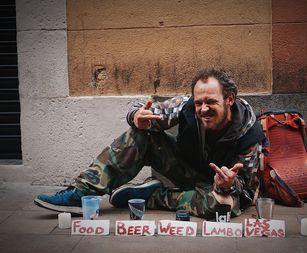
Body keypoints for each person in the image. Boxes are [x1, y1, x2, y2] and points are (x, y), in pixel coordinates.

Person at [34, 67, 266, 219]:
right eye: (199, 102)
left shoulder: (249, 133)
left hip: (221, 187)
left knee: (221, 207)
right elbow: (145, 112)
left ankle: (152, 197)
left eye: (211, 102)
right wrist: (135, 117)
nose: (203, 109)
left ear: (230, 99)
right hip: (189, 171)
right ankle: (82, 193)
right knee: (142, 133)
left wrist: (227, 184)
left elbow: (244, 186)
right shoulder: (186, 107)